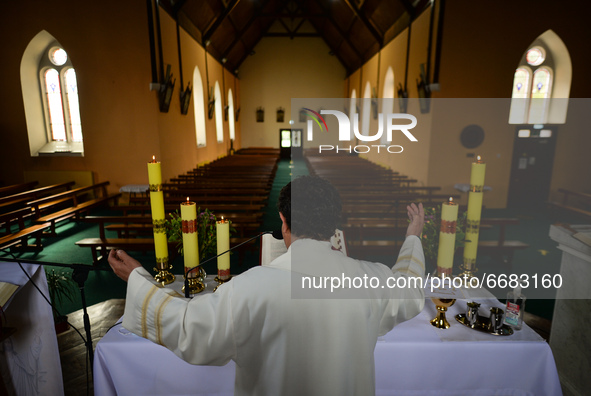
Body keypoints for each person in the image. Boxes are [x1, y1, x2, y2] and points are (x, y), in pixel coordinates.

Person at [109, 175, 425, 396]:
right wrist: (413, 235)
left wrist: (140, 279)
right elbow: (409, 288)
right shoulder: (369, 279)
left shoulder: (251, 287)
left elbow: (189, 328)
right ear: (334, 227)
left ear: (283, 223)